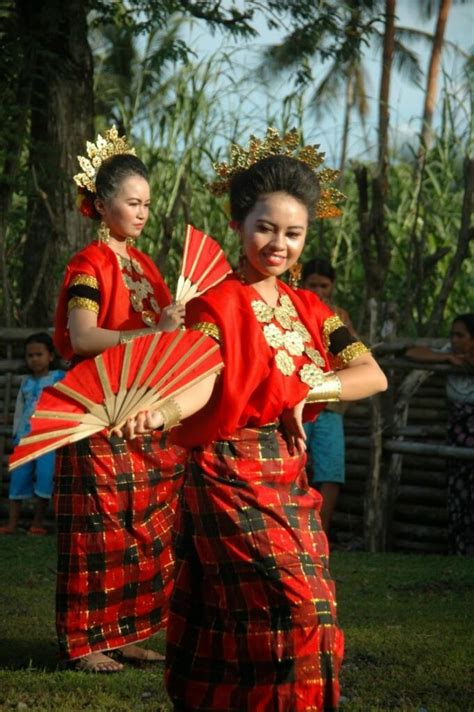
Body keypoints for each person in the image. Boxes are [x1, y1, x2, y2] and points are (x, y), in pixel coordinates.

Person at [121, 129, 388, 710]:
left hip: (288, 474)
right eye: (265, 227)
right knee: (297, 604)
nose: (278, 243)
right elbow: (203, 380)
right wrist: (160, 411)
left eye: (293, 233)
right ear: (239, 224)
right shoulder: (215, 303)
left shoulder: (313, 309)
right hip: (226, 472)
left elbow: (371, 374)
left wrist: (309, 388)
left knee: (267, 609)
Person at [53, 127, 186, 672]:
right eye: (132, 202)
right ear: (102, 204)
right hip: (97, 407)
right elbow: (83, 337)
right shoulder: (88, 265)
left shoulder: (148, 267)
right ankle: (86, 641)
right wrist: (152, 335)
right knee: (99, 524)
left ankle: (128, 631)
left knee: (147, 523)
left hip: (144, 409)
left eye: (147, 204)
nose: (142, 212)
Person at [406, 314, 474, 556]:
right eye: (452, 335)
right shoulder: (449, 353)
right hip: (458, 432)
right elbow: (413, 353)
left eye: (461, 336)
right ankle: (461, 552)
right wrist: (447, 358)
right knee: (460, 494)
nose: (455, 340)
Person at [300, 258, 357, 536]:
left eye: (324, 285)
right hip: (297, 402)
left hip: (331, 405)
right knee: (294, 466)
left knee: (331, 470)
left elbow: (353, 354)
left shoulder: (339, 316)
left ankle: (319, 534)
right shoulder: (292, 308)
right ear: (302, 284)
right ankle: (296, 531)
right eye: (313, 285)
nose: (319, 291)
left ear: (332, 287)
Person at [0, 333, 65, 536]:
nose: (34, 359)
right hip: (25, 438)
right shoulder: (26, 383)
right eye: (30, 355)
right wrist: (15, 434)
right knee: (18, 477)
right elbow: (20, 408)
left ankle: (37, 523)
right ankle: (12, 523)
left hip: (48, 438)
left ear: (51, 356)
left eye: (39, 354)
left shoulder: (59, 378)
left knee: (45, 477)